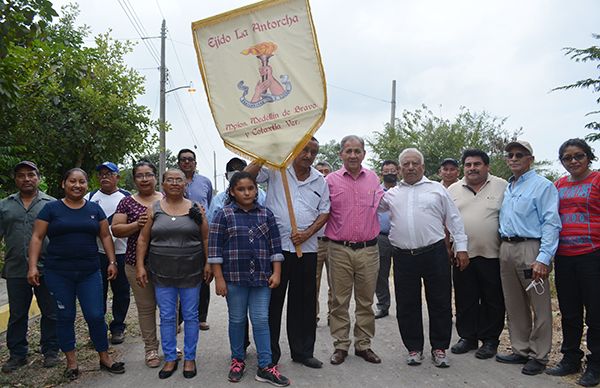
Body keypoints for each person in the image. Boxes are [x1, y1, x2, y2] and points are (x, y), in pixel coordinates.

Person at [27, 168, 125, 380]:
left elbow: (105, 237)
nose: (77, 185)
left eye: (82, 181)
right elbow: (37, 237)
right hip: (58, 273)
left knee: (96, 315)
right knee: (65, 316)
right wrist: (33, 266)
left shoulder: (94, 209)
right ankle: (72, 363)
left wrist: (111, 261)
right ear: (64, 183)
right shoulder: (50, 209)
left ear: (87, 185)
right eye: (72, 181)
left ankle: (104, 357)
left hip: (89, 271)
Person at [380, 148, 469, 368]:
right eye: (406, 164)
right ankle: (414, 348)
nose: (410, 167)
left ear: (423, 167)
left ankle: (439, 348)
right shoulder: (390, 194)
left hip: (434, 253)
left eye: (415, 163)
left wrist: (462, 248)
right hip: (403, 256)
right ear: (400, 169)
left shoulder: (437, 189)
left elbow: (454, 219)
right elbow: (369, 208)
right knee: (407, 304)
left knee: (440, 302)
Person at [246, 137, 330, 369]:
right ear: (294, 149)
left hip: (307, 249)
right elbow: (246, 177)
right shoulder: (276, 169)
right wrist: (266, 150)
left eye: (313, 152)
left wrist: (307, 233)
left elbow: (325, 211)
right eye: (304, 150)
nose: (309, 156)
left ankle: (303, 352)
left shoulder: (319, 180)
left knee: (304, 303)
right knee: (272, 303)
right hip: (276, 249)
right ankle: (269, 353)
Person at [209, 171, 290, 386]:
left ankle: (265, 365)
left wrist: (277, 272)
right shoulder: (223, 214)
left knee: (261, 320)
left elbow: (275, 246)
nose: (247, 192)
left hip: (262, 279)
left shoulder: (266, 214)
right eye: (241, 189)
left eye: (251, 188)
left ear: (256, 190)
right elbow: (214, 248)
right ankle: (237, 360)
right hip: (234, 278)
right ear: (232, 192)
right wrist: (219, 278)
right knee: (237, 320)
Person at [135, 168, 210, 379]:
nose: (175, 183)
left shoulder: (196, 209)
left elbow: (205, 238)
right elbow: (143, 239)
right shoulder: (154, 208)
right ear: (163, 184)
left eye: (179, 180)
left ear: (186, 184)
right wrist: (140, 265)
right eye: (170, 180)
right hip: (162, 273)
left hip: (191, 271)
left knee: (191, 315)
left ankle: (189, 358)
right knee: (167, 316)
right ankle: (169, 357)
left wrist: (208, 264)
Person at [495, 140, 561, 376]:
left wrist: (543, 258)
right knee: (514, 303)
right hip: (507, 248)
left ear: (530, 159)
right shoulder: (509, 187)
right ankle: (520, 349)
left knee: (539, 305)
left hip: (531, 249)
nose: (513, 158)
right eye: (510, 155)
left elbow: (551, 223)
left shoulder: (543, 186)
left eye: (519, 155)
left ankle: (539, 355)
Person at [325, 135, 384, 365]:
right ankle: (340, 345)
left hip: (369, 250)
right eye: (348, 151)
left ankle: (363, 345)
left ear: (364, 154)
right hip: (339, 249)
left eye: (357, 151)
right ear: (341, 154)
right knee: (339, 300)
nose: (352, 155)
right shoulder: (330, 180)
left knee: (365, 300)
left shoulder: (373, 179)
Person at [546, 138, 600, 387]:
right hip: (565, 256)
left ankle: (596, 364)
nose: (573, 161)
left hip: (593, 255)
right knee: (569, 312)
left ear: (588, 157)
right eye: (567, 158)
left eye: (579, 156)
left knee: (596, 313)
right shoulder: (558, 185)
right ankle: (570, 358)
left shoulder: (597, 180)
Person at [447, 150, 507, 359]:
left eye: (477, 164)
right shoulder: (453, 189)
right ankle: (468, 337)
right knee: (465, 298)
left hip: (494, 254)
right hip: (462, 255)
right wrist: (449, 248)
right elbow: (445, 221)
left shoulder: (502, 186)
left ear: (487, 166)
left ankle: (490, 340)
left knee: (493, 299)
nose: (472, 168)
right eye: (468, 164)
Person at [0, 161, 59, 372]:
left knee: (51, 312)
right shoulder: (4, 205)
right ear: (15, 179)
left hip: (47, 268)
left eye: (31, 175)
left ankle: (51, 351)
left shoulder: (51, 204)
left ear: (38, 177)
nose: (26, 179)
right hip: (16, 269)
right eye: (21, 175)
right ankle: (17, 354)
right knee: (17, 314)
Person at [112, 160, 163, 368]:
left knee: (170, 307)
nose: (144, 179)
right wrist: (137, 224)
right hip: (135, 263)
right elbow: (116, 229)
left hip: (167, 264)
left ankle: (170, 346)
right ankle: (150, 349)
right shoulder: (126, 202)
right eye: (140, 175)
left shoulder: (167, 198)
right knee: (146, 308)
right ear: (134, 179)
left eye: (148, 174)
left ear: (155, 177)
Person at [86, 161, 131, 345]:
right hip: (98, 253)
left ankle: (118, 327)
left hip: (122, 252)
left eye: (109, 173)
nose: (104, 176)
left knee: (121, 292)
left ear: (117, 177)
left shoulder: (126, 197)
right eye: (101, 174)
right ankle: (99, 329)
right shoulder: (90, 197)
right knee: (98, 293)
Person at [178, 148, 213, 331]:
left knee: (203, 273)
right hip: (178, 233)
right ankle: (179, 318)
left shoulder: (205, 182)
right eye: (183, 160)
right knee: (179, 275)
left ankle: (201, 317)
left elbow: (209, 203)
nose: (186, 162)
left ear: (195, 163)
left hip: (201, 233)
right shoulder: (173, 181)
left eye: (190, 159)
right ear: (178, 163)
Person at [374, 160, 399, 319]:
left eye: (392, 170)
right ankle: (383, 306)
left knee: (403, 273)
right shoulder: (375, 190)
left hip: (400, 237)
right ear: (381, 172)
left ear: (398, 171)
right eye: (386, 170)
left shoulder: (404, 190)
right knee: (381, 274)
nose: (389, 172)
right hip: (381, 237)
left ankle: (405, 306)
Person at [314, 161, 332, 325]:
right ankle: (313, 315)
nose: (323, 174)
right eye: (320, 171)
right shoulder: (311, 191)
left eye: (326, 171)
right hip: (315, 243)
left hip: (334, 243)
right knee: (313, 282)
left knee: (335, 283)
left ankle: (333, 316)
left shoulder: (334, 192)